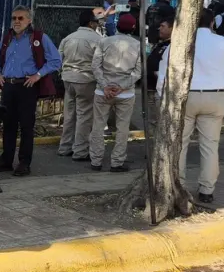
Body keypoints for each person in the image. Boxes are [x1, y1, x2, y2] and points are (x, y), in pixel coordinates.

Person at [157, 8, 224, 203]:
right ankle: (207, 189)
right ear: (213, 22)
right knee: (210, 145)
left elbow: (164, 73)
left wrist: (162, 97)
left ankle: (178, 185)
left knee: (180, 143)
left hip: (185, 97)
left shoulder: (179, 44)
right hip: (215, 97)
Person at [0, 6, 62, 176]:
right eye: (14, 18)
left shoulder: (39, 38)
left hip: (26, 87)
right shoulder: (7, 38)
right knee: (8, 124)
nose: (16, 21)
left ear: (29, 20)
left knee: (26, 126)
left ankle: (24, 162)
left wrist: (38, 75)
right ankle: (6, 160)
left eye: (21, 18)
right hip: (8, 85)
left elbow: (55, 60)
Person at [89, 14, 143, 172]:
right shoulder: (137, 45)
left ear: (117, 26)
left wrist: (105, 86)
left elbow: (95, 66)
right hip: (125, 94)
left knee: (98, 126)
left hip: (102, 92)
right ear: (133, 28)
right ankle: (117, 162)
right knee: (122, 128)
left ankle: (96, 161)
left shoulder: (104, 42)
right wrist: (121, 87)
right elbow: (138, 72)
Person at [56, 9, 103, 161]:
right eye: (96, 22)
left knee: (69, 114)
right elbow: (100, 63)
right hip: (86, 80)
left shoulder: (68, 38)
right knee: (84, 115)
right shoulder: (97, 39)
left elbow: (58, 59)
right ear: (91, 23)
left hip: (68, 79)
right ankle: (81, 151)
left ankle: (65, 147)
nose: (97, 25)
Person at [147, 17, 173, 91]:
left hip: (161, 88)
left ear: (172, 28)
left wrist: (158, 74)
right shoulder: (160, 43)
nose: (159, 28)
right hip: (150, 86)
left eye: (163, 26)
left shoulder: (173, 45)